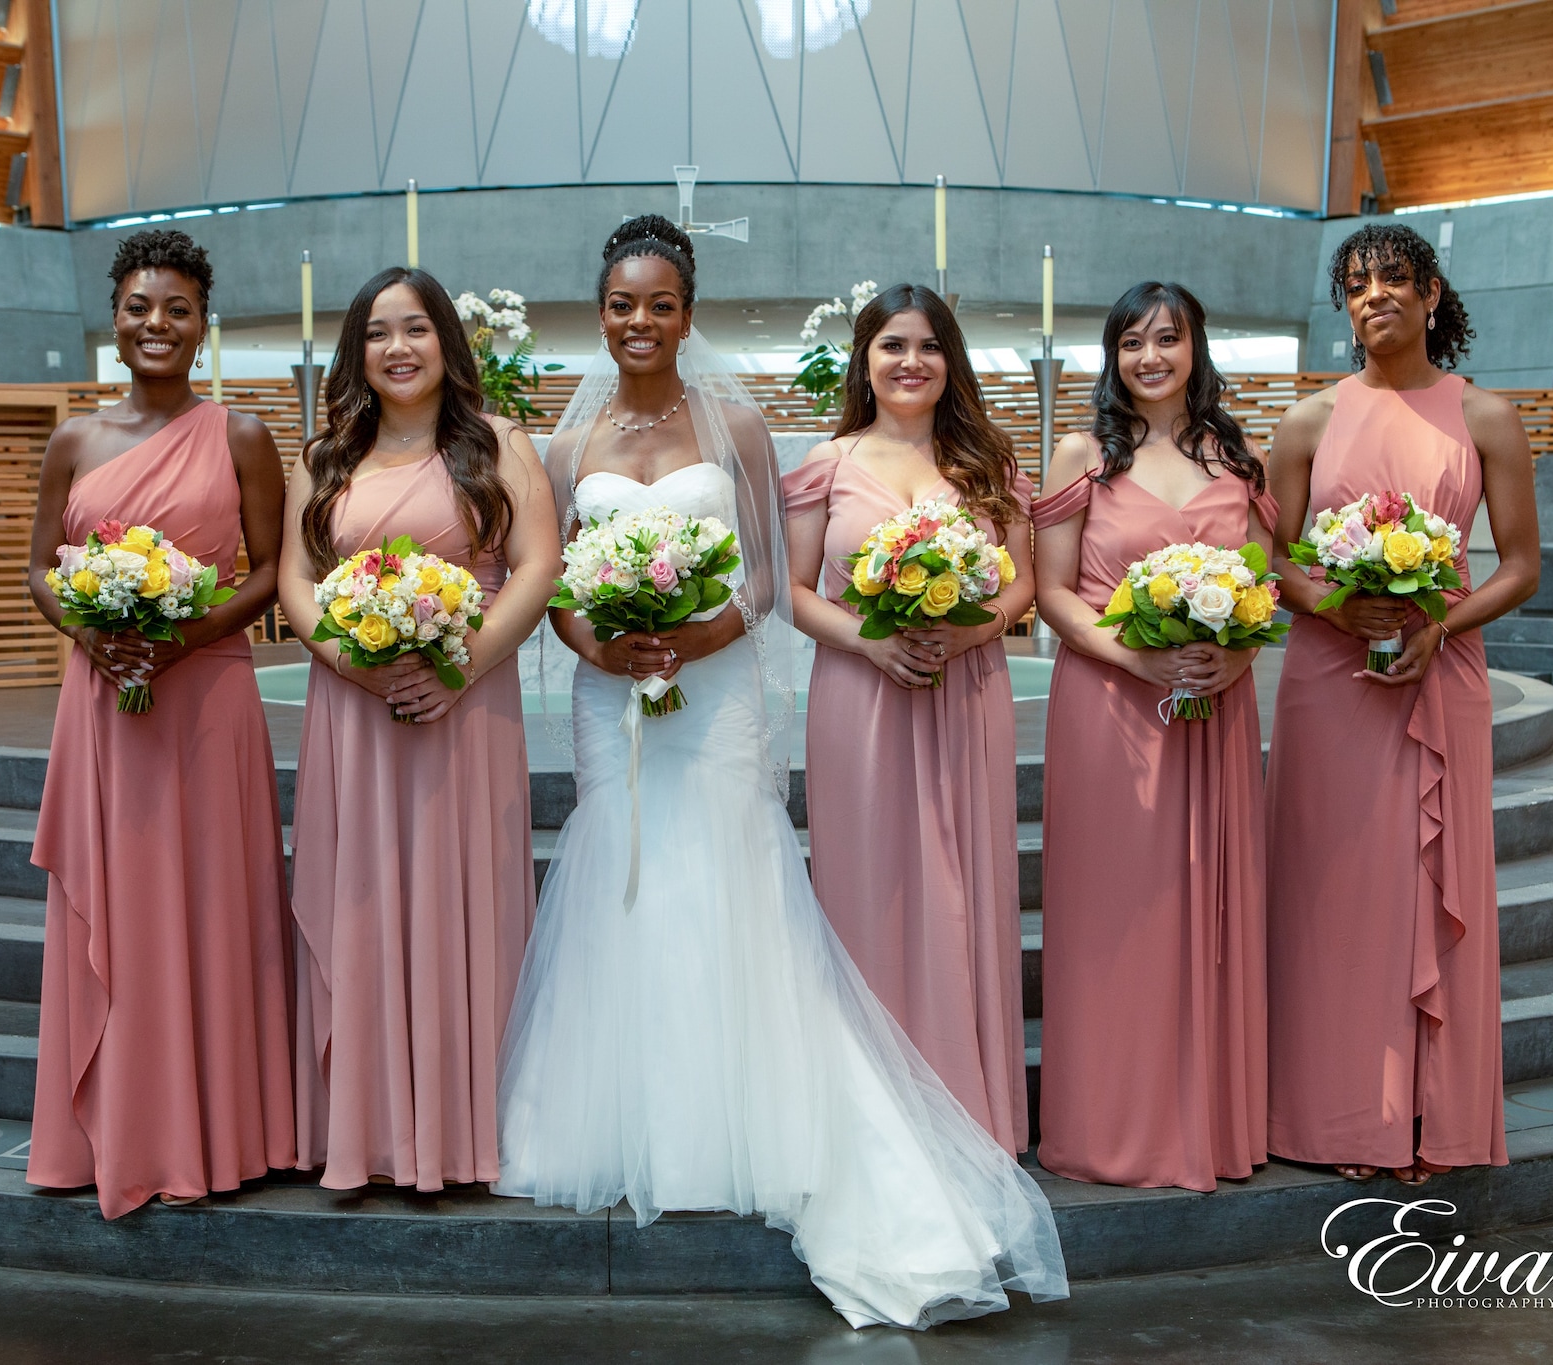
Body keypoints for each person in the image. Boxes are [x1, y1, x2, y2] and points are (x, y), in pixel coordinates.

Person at [492, 216, 1067, 1330]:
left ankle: (743, 1122)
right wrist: (602, 644)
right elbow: (553, 582)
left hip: (714, 694)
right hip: (614, 689)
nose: (639, 321)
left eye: (660, 303)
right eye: (621, 303)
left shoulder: (743, 429)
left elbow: (762, 581)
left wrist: (695, 641)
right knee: (622, 871)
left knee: (728, 874)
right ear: (599, 310)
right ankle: (624, 1119)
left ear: (687, 311)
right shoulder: (565, 448)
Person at [25, 229, 296, 1218]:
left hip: (205, 698)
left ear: (201, 324)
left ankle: (222, 1135)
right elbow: (41, 568)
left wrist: (184, 636)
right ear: (115, 318)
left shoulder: (241, 438)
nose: (156, 324)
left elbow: (270, 570)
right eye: (141, 306)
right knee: (122, 906)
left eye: (176, 308)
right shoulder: (74, 441)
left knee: (211, 905)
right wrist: (91, 633)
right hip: (104, 701)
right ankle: (118, 1132)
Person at [1266, 224, 1539, 1185]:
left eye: (1391, 279)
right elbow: (1274, 560)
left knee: (1433, 891)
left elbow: (1521, 565)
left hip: (1442, 667)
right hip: (1328, 684)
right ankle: (1343, 1118)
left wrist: (1439, 626)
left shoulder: (1489, 418)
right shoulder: (1306, 422)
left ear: (1430, 293)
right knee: (1334, 894)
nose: (1372, 295)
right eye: (1354, 284)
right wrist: (1340, 604)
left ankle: (1433, 1119)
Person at [276, 267, 558, 1193]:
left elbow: (536, 566)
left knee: (457, 897)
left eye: (417, 329)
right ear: (357, 350)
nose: (398, 348)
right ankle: (369, 1132)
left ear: (447, 341)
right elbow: (295, 584)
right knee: (363, 900)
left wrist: (460, 664)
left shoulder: (499, 443)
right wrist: (356, 662)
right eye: (378, 333)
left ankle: (461, 1129)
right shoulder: (324, 458)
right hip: (356, 711)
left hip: (462, 708)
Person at [782, 284, 1037, 1153]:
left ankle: (967, 1104)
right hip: (861, 695)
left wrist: (965, 637)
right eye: (892, 345)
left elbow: (1022, 584)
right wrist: (874, 643)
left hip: (965, 691)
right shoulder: (829, 461)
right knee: (870, 885)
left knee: (965, 882)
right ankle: (873, 1111)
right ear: (866, 358)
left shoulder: (986, 465)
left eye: (928, 347)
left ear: (949, 362)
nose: (910, 362)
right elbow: (791, 591)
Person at [1031, 281, 1273, 1191]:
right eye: (1131, 341)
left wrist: (1237, 659)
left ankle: (1204, 1120)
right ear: (1113, 355)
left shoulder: (1236, 458)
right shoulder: (1081, 454)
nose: (1150, 357)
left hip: (1213, 704)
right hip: (1108, 704)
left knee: (1205, 909)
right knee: (1117, 917)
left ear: (1196, 347)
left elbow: (1268, 581)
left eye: (1167, 339)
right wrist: (1138, 662)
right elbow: (1052, 592)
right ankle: (1113, 1123)